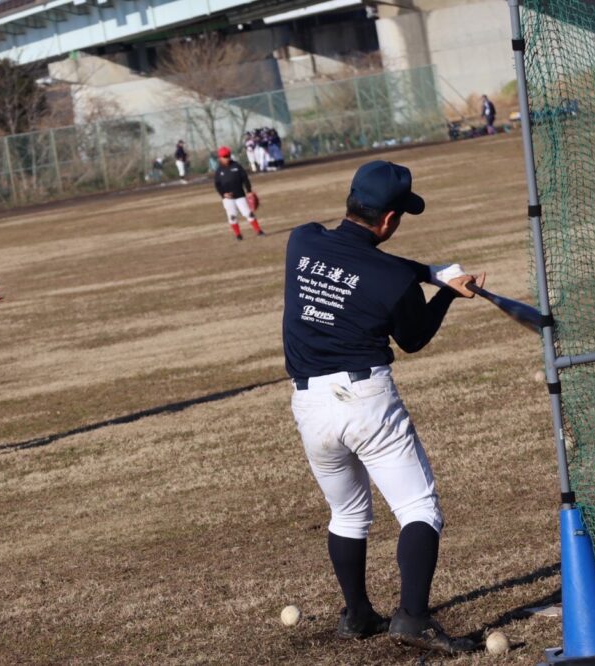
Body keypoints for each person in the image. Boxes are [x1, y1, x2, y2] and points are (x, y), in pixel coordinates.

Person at [282, 160, 484, 654]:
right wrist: (446, 295)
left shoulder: (301, 239)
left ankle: (357, 614)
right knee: (419, 508)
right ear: (389, 221)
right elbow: (413, 339)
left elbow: (367, 263)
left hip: (308, 403)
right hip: (366, 400)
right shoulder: (394, 280)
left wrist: (432, 273)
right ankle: (412, 617)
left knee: (347, 513)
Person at [213, 146, 264, 241]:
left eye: (228, 155)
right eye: (224, 156)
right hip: (228, 199)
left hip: (240, 195)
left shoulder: (236, 166)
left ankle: (259, 231)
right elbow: (217, 185)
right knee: (232, 217)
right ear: (220, 157)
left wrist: (248, 191)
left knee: (249, 214)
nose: (226, 158)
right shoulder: (219, 170)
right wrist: (223, 194)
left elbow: (245, 179)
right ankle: (238, 235)